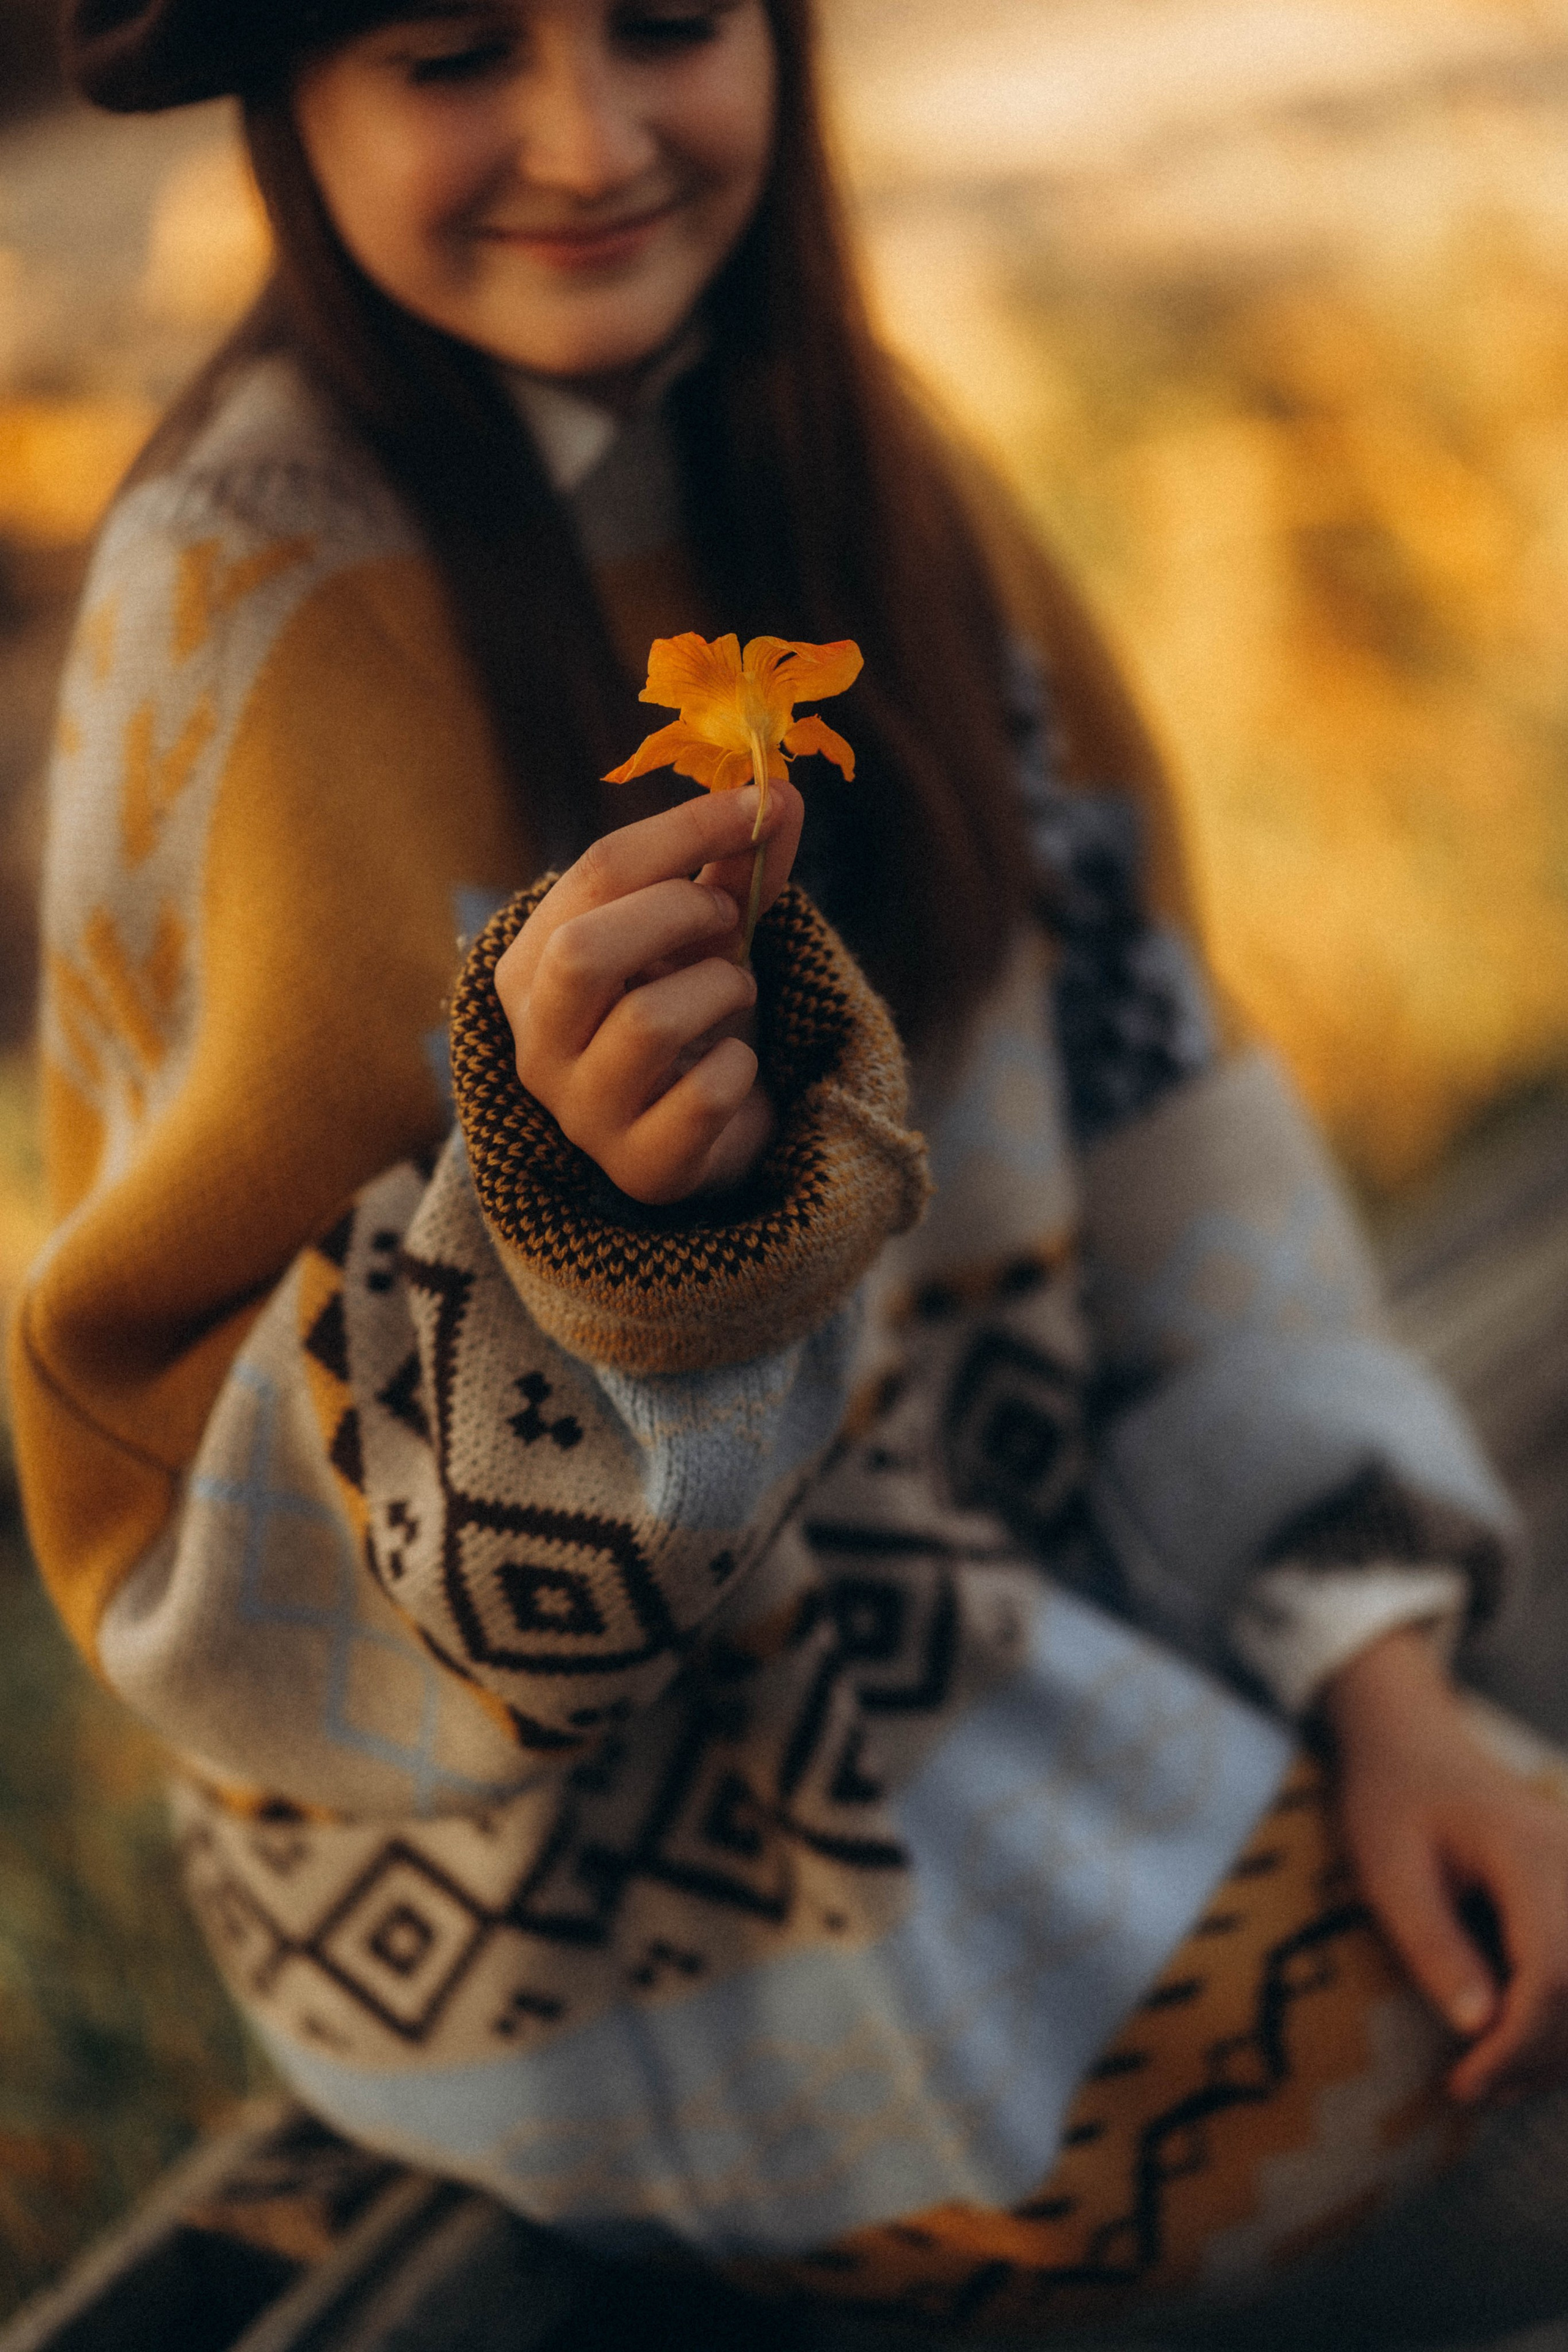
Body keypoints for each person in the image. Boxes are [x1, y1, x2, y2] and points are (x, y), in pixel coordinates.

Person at [13, 0, 1568, 2337]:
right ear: (284, 101)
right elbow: (195, 1524)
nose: (588, 134)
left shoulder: (871, 470)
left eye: (668, 21)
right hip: (629, 1909)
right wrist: (597, 1236)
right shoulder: (241, 613)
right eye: (453, 51)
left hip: (1064, 1624)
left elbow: (1160, 1107)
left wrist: (1377, 1659)